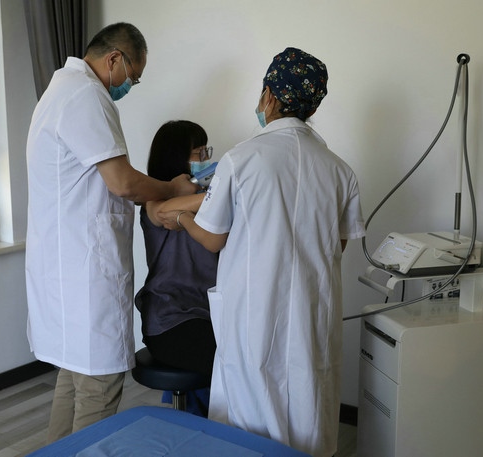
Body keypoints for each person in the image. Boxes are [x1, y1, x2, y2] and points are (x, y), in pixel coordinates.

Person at [158, 47, 366, 457]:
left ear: (269, 96)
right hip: (311, 316)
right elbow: (337, 245)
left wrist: (180, 218)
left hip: (254, 316)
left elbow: (213, 238)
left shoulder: (241, 160)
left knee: (248, 421)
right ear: (312, 107)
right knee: (307, 410)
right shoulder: (340, 170)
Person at [25, 23, 198, 444]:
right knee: (98, 388)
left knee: (73, 382)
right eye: (132, 77)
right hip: (85, 276)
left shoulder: (58, 92)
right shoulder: (86, 95)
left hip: (65, 271)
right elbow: (122, 183)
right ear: (114, 59)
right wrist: (173, 190)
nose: (128, 86)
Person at [135, 120, 218, 415]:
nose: (205, 159)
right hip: (170, 320)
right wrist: (221, 191)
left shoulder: (209, 206)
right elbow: (162, 212)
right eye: (198, 153)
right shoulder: (154, 204)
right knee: (230, 363)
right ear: (176, 159)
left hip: (208, 314)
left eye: (206, 151)